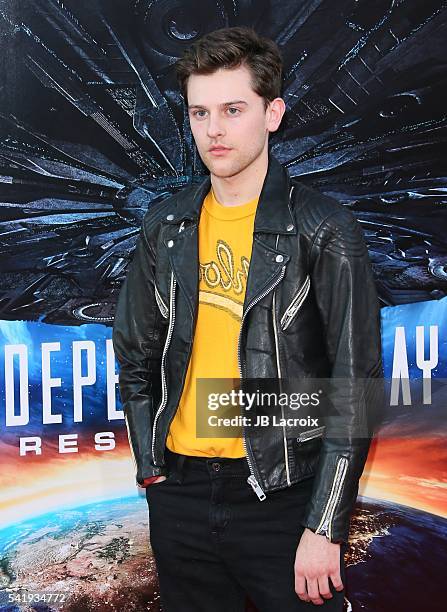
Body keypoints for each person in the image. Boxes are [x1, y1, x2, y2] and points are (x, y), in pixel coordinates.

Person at [112, 26, 383, 612]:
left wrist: (326, 524)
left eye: (233, 109)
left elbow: (354, 382)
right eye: (200, 112)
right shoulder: (166, 227)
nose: (214, 129)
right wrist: (151, 469)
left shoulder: (324, 227)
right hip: (180, 494)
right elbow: (135, 355)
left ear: (273, 113)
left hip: (283, 497)